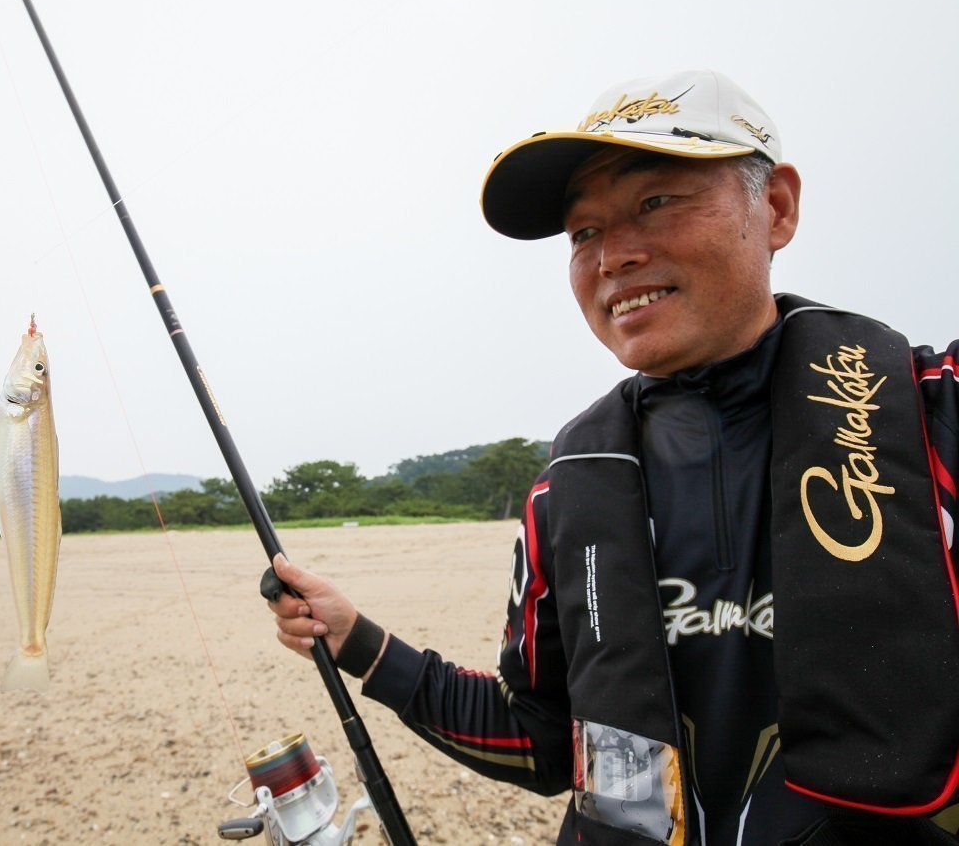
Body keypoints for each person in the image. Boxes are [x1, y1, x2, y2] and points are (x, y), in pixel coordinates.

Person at [267, 70, 959, 845]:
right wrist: (360, 640)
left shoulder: (935, 415)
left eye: (656, 201)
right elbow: (542, 735)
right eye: (583, 233)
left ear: (777, 207)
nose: (613, 256)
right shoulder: (566, 489)